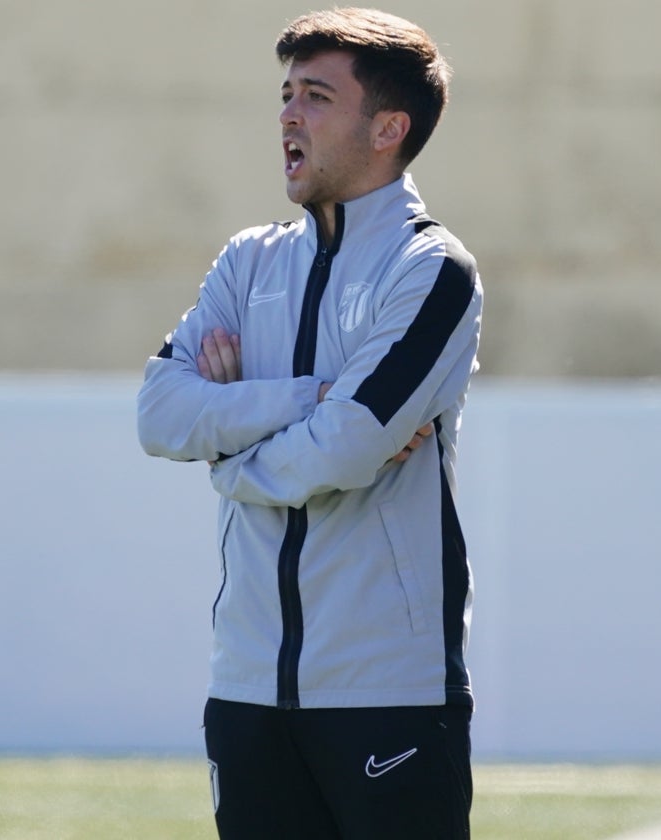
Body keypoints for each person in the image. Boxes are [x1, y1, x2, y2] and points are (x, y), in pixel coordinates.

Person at [137, 8, 482, 838]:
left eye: (317, 96)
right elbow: (158, 414)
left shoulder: (430, 269)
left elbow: (348, 446)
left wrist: (228, 456)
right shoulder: (247, 259)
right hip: (247, 689)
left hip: (387, 695)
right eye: (287, 93)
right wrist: (302, 398)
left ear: (387, 127)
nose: (288, 114)